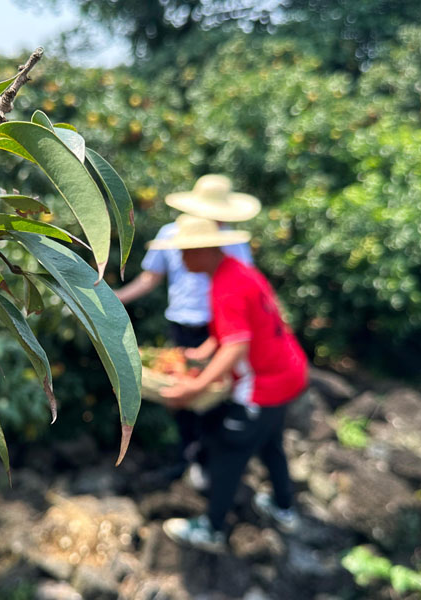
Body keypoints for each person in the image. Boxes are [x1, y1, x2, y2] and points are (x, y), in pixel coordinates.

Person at [149, 215, 308, 553]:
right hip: (289, 369)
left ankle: (213, 528)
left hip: (265, 383)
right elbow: (238, 328)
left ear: (206, 250)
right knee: (271, 444)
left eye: (186, 252)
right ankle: (284, 508)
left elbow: (238, 345)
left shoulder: (226, 286)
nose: (181, 259)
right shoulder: (236, 269)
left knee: (226, 449)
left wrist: (195, 387)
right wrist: (202, 352)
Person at [116, 174, 261, 484]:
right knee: (180, 395)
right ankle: (189, 458)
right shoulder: (172, 235)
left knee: (213, 397)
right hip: (182, 328)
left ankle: (211, 463)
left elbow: (246, 289)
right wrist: (113, 301)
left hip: (219, 331)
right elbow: (150, 278)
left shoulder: (231, 242)